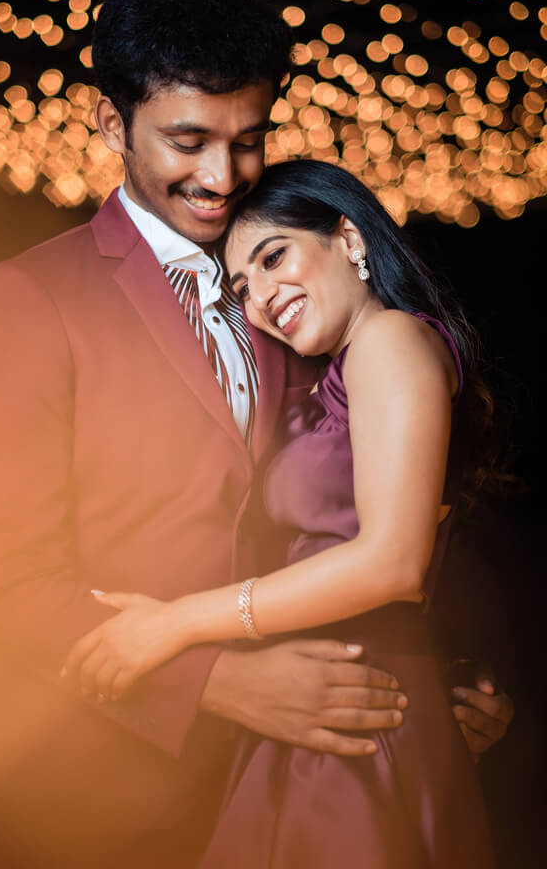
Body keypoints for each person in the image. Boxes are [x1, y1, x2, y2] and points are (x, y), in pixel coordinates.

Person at [0, 0, 511, 867]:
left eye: (248, 139)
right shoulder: (32, 299)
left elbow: (375, 499)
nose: (223, 175)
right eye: (188, 140)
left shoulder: (304, 288)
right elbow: (9, 583)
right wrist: (217, 685)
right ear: (110, 121)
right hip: (123, 783)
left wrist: (445, 677)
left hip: (336, 761)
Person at [63, 159, 495, 865]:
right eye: (241, 287)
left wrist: (176, 623)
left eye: (274, 257)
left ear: (349, 237)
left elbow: (393, 559)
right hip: (320, 701)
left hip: (361, 708)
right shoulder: (338, 370)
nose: (261, 297)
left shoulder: (389, 340)